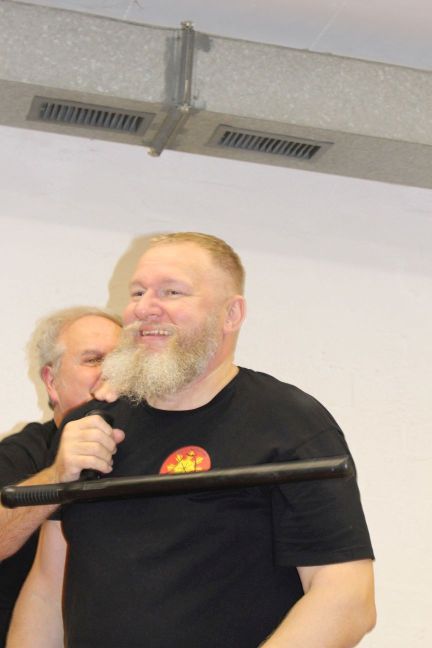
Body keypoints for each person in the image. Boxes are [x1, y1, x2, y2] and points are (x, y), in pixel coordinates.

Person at [8, 233, 376, 648]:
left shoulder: (288, 424)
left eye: (172, 291)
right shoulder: (91, 427)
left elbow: (347, 598)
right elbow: (47, 588)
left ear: (231, 314)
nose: (145, 307)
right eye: (138, 292)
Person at [0, 306, 122, 646]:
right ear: (51, 382)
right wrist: (57, 474)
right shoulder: (22, 454)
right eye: (94, 360)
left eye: (120, 361)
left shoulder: (149, 450)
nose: (109, 373)